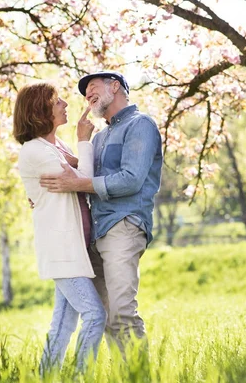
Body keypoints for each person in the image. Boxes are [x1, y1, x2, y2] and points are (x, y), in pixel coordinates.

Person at [39, 71, 163, 354]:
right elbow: (83, 175)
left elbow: (131, 179)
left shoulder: (140, 124)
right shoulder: (100, 136)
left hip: (124, 226)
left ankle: (140, 377)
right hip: (96, 234)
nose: (88, 95)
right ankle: (126, 373)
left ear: (115, 86)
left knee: (121, 312)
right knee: (104, 315)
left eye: (93, 87)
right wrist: (44, 192)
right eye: (85, 92)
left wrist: (78, 181)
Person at [12, 82, 106, 374]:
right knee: (94, 315)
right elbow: (86, 180)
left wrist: (78, 157)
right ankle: (80, 377)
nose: (65, 103)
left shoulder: (55, 147)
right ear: (41, 111)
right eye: (57, 102)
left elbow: (82, 174)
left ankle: (47, 376)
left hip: (73, 248)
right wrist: (84, 141)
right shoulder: (36, 151)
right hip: (63, 250)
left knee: (64, 324)